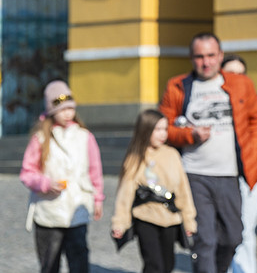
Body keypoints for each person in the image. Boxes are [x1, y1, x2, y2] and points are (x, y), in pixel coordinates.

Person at [159, 32, 257, 273]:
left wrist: (253, 147)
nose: (205, 62)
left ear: (220, 56)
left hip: (230, 174)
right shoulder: (178, 86)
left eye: (210, 55)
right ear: (191, 58)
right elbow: (162, 129)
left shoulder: (240, 84)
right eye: (199, 56)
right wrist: (190, 135)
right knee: (204, 240)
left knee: (233, 237)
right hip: (193, 174)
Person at [19, 80, 105, 273]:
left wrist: (98, 198)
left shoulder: (85, 136)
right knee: (50, 264)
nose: (67, 113)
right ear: (51, 110)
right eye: (62, 109)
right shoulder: (40, 138)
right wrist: (45, 183)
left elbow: (95, 171)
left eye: (70, 108)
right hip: (49, 211)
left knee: (79, 262)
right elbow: (27, 172)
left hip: (77, 210)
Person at [111, 109, 197, 273]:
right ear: (145, 130)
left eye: (165, 129)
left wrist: (189, 220)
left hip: (170, 218)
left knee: (168, 264)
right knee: (153, 265)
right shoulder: (136, 157)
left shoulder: (172, 155)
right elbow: (125, 194)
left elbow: (182, 189)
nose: (162, 134)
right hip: (145, 216)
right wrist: (120, 223)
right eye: (157, 129)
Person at [219, 53, 257, 273]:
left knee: (246, 230)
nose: (237, 78)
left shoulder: (252, 100)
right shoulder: (214, 100)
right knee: (227, 231)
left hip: (250, 175)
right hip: (221, 175)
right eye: (232, 73)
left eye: (241, 74)